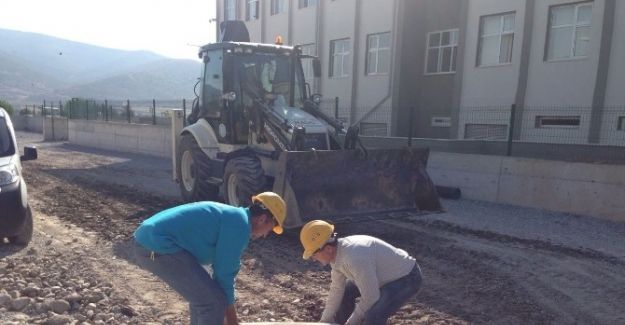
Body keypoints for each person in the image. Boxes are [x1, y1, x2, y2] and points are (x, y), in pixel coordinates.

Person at [133, 192, 287, 325]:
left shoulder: (235, 217)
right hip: (156, 245)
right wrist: (233, 321)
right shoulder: (239, 225)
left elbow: (217, 275)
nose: (267, 234)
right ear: (262, 219)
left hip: (153, 241)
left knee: (205, 296)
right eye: (271, 228)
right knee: (213, 303)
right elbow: (224, 275)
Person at [299, 220, 422, 325]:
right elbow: (337, 289)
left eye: (314, 255)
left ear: (328, 249)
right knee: (344, 292)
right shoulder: (336, 256)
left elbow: (371, 297)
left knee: (373, 315)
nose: (313, 259)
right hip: (380, 276)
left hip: (406, 278)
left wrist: (351, 322)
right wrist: (324, 322)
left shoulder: (355, 258)